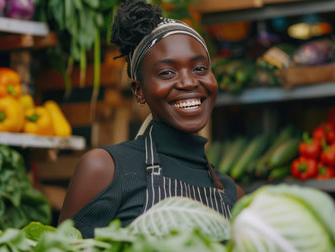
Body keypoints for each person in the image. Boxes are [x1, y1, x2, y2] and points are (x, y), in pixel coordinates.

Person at [58, 0, 245, 238]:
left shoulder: (232, 194)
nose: (188, 82)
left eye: (199, 69)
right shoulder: (105, 170)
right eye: (167, 72)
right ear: (139, 91)